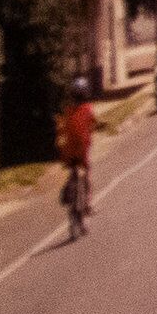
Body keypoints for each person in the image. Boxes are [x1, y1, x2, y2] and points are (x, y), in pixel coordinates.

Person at [55, 94, 98, 237]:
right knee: (87, 174)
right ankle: (87, 205)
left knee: (72, 175)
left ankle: (69, 192)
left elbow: (61, 131)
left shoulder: (68, 111)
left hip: (68, 153)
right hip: (82, 152)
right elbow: (94, 123)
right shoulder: (88, 108)